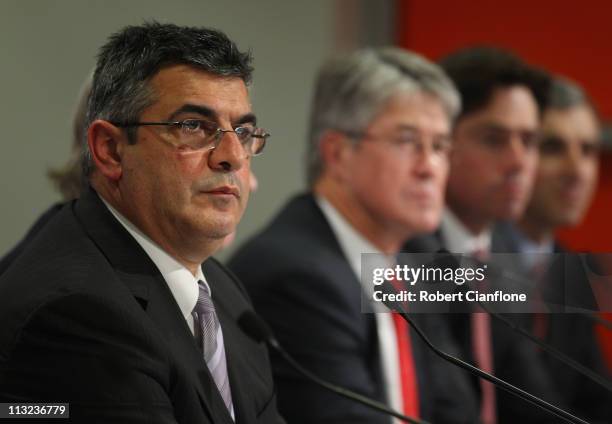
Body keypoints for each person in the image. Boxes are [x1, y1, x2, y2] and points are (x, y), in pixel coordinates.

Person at [0, 22, 284, 424]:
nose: (233, 156)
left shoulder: (225, 294)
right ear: (111, 150)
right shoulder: (77, 315)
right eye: (193, 126)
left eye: (243, 131)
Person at [229, 47, 468, 423]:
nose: (430, 167)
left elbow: (457, 409)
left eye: (440, 146)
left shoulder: (417, 259)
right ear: (338, 154)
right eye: (408, 141)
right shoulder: (296, 276)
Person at [405, 47, 563, 423]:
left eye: (529, 141)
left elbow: (532, 399)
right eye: (495, 140)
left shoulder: (502, 249)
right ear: (443, 141)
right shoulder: (405, 253)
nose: (518, 162)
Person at [494, 76, 611, 422]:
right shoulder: (463, 261)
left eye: (588, 150)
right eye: (554, 148)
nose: (577, 170)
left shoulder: (571, 271)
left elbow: (597, 399)